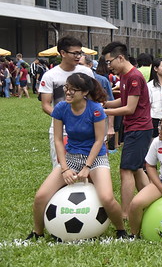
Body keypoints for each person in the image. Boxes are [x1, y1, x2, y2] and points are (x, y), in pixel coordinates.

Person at [26, 73, 129, 240]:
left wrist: (87, 167)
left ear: (85, 92)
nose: (68, 92)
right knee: (41, 196)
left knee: (107, 198)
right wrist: (65, 168)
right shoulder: (61, 108)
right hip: (72, 157)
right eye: (67, 88)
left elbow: (98, 141)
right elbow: (58, 140)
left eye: (73, 89)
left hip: (96, 158)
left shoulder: (95, 109)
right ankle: (37, 232)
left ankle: (121, 230)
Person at [102, 42, 152, 219]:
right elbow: (123, 101)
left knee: (126, 170)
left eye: (110, 62)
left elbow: (130, 108)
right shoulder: (124, 76)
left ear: (120, 57)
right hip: (134, 128)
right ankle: (153, 202)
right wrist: (105, 103)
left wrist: (103, 112)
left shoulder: (134, 77)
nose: (109, 66)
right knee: (137, 169)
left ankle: (125, 213)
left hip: (139, 128)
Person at [39, 36, 94, 168]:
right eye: (75, 53)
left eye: (80, 53)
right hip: (60, 129)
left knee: (87, 166)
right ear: (63, 53)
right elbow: (46, 105)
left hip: (85, 128)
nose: (78, 56)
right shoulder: (50, 75)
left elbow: (93, 99)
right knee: (61, 166)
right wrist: (64, 118)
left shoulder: (86, 72)